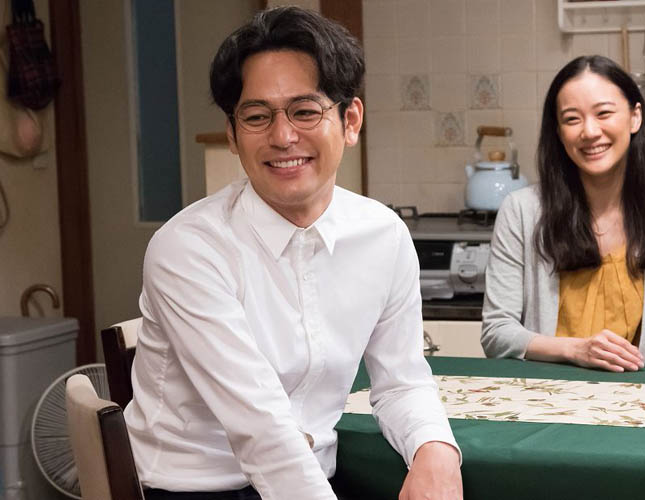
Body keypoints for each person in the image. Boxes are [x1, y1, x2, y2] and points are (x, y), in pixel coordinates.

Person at [124, 7, 462, 499]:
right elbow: (261, 430)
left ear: (350, 120)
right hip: (193, 489)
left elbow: (402, 382)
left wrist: (436, 451)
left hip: (313, 476)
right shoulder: (189, 249)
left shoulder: (383, 236)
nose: (282, 137)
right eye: (257, 116)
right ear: (233, 134)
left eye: (305, 111)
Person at [481, 55, 645, 372]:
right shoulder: (521, 212)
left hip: (639, 396)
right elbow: (496, 333)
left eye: (604, 113)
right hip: (539, 394)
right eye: (572, 119)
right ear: (559, 132)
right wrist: (576, 350)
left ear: (635, 117)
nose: (589, 131)